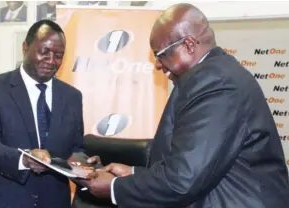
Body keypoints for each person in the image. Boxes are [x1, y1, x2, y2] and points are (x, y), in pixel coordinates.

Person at [82, 3, 289, 208]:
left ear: (189, 45)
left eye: (160, 54)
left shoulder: (215, 83)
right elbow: (194, 164)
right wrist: (133, 174)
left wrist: (115, 188)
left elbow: (182, 179)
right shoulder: (213, 76)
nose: (157, 64)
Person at [0, 20, 87, 208]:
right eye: (44, 52)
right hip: (3, 200)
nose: (51, 61)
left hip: (54, 201)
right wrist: (24, 159)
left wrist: (81, 162)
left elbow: (77, 148)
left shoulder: (72, 96)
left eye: (58, 55)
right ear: (25, 47)